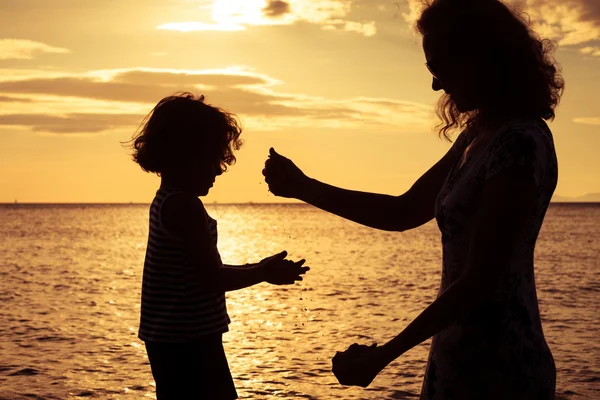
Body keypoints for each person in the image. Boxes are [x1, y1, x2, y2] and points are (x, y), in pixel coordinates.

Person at [262, 0, 563, 397]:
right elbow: (403, 211)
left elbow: (481, 279)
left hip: (500, 362)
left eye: (440, 67)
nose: (437, 85)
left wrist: (383, 355)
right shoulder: (477, 136)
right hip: (458, 355)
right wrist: (303, 187)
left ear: (481, 57)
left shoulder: (519, 142)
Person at [128, 93, 309, 400]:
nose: (218, 169)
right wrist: (263, 272)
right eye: (213, 159)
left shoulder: (166, 201)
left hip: (172, 341)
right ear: (186, 155)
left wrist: (260, 267)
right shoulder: (185, 208)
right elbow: (211, 279)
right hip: (189, 343)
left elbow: (203, 273)